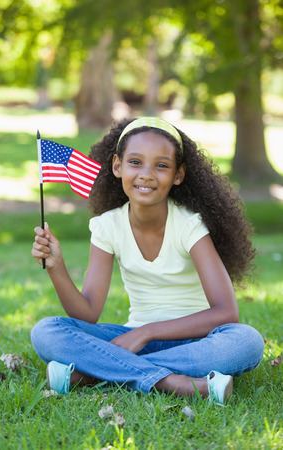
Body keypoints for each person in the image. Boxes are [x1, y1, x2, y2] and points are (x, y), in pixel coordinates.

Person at [31, 117, 264, 402]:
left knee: (245, 342)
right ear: (117, 166)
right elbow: (87, 313)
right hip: (130, 341)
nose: (147, 174)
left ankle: (94, 374)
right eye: (135, 162)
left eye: (162, 165)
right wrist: (57, 268)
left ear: (178, 175)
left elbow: (227, 313)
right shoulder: (107, 226)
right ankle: (176, 383)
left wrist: (148, 332)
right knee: (46, 331)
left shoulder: (190, 226)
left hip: (195, 341)